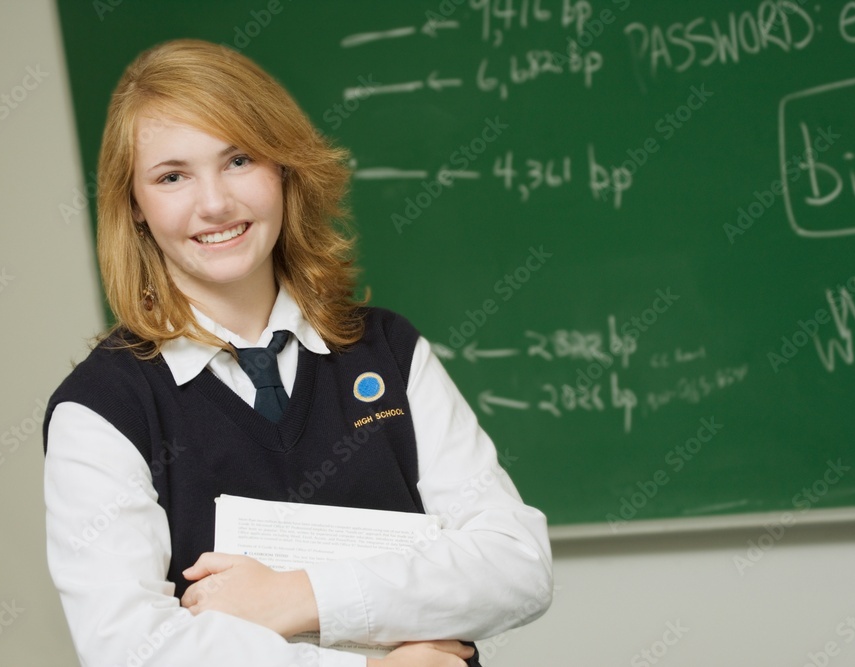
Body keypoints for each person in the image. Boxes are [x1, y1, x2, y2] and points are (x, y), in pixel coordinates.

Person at [42, 38, 552, 667]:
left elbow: (517, 564)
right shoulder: (101, 410)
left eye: (238, 160)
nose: (214, 204)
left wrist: (299, 597)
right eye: (172, 176)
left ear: (284, 168)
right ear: (136, 208)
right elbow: (129, 647)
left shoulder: (387, 352)